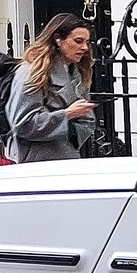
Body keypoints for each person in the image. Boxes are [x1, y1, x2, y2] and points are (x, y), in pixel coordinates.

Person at [7, 13, 99, 162]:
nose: (84, 48)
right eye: (78, 41)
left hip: (66, 159)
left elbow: (86, 122)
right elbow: (23, 125)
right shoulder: (33, 72)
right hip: (35, 163)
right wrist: (67, 114)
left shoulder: (77, 73)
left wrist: (74, 132)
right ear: (58, 40)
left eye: (87, 42)